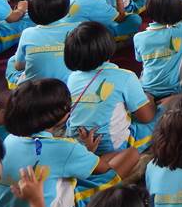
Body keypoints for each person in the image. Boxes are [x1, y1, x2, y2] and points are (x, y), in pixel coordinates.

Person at [0, 78, 139, 207]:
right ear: (60, 115)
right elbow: (103, 169)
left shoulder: (9, 140)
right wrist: (83, 153)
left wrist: (82, 153)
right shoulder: (65, 148)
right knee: (132, 154)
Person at [64, 21, 157, 154]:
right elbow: (146, 117)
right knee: (166, 110)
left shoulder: (72, 78)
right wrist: (151, 100)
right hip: (112, 147)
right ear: (108, 45)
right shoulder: (126, 77)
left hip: (77, 146)